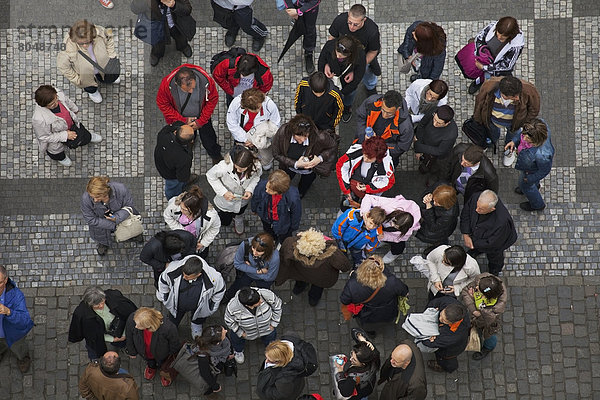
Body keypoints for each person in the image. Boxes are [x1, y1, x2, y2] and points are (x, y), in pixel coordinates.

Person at [156, 64, 223, 163]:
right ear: (177, 84)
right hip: (180, 119)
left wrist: (201, 121)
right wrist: (184, 120)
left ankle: (215, 154)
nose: (191, 91)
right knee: (185, 138)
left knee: (208, 138)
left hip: (202, 117)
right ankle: (188, 145)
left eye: (193, 87)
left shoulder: (206, 81)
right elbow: (163, 104)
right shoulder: (166, 85)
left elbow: (212, 99)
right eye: (187, 90)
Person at [473, 76, 540, 166]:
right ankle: (491, 142)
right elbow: (479, 103)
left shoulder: (529, 91)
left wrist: (524, 123)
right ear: (503, 94)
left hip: (514, 124)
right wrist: (478, 120)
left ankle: (509, 149)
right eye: (513, 97)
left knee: (512, 136)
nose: (517, 98)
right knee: (492, 133)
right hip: (492, 121)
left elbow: (534, 109)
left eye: (517, 95)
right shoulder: (488, 87)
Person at [277, 228, 352, 306]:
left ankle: (299, 288)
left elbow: (283, 256)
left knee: (301, 279)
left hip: (300, 273)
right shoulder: (332, 253)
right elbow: (345, 266)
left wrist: (297, 237)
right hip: (320, 278)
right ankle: (313, 299)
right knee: (317, 288)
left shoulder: (290, 243)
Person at [32, 85, 102, 167]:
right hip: (57, 140)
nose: (56, 103)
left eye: (56, 99)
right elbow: (44, 137)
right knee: (57, 152)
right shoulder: (39, 119)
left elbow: (67, 101)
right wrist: (65, 135)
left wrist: (74, 109)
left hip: (72, 125)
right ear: (43, 105)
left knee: (84, 135)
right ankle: (61, 158)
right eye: (52, 104)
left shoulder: (57, 93)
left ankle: (88, 137)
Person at [157, 255, 225, 338]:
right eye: (184, 274)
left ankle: (196, 324)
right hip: (178, 305)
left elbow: (219, 292)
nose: (184, 277)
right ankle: (173, 326)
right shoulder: (172, 269)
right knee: (174, 317)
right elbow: (163, 282)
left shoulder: (215, 278)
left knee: (199, 316)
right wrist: (165, 297)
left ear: (198, 274)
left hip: (199, 306)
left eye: (188, 277)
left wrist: (212, 307)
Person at [272, 114, 339, 198]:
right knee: (286, 180)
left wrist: (319, 158)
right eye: (298, 136)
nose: (302, 140)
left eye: (305, 136)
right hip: (288, 167)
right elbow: (276, 154)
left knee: (305, 184)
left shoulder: (319, 137)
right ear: (292, 132)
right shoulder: (283, 132)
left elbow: (333, 146)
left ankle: (300, 193)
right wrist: (295, 164)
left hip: (310, 170)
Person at [340, 256, 409, 335]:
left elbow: (345, 300)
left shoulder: (352, 285)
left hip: (367, 314)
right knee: (387, 321)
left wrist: (353, 276)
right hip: (388, 310)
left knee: (369, 327)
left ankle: (371, 334)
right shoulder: (392, 281)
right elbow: (405, 291)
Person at [57, 20, 120, 104]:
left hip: (104, 65)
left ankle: (108, 79)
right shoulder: (67, 48)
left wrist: (111, 55)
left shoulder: (99, 32)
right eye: (81, 44)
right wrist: (77, 80)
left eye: (88, 42)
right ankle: (93, 93)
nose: (85, 46)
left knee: (110, 76)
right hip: (85, 74)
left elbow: (109, 39)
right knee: (89, 86)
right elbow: (63, 66)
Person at [68, 286, 137, 361]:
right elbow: (91, 336)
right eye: (97, 305)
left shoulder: (113, 297)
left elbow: (126, 314)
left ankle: (122, 346)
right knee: (95, 349)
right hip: (100, 338)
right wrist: (112, 339)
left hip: (118, 329)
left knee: (121, 342)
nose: (101, 306)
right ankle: (95, 359)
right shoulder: (82, 315)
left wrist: (123, 334)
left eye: (102, 302)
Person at [206, 145, 263, 235]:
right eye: (236, 167)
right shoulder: (223, 166)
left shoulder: (257, 166)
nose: (238, 170)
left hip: (243, 199)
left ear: (249, 165)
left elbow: (256, 177)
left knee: (241, 210)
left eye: (241, 169)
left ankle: (238, 218)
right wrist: (223, 192)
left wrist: (250, 189)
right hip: (226, 200)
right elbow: (210, 176)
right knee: (225, 216)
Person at [460, 190, 518, 276]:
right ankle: (476, 250)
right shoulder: (476, 198)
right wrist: (466, 233)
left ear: (492, 209)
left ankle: (495, 270)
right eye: (477, 206)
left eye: (481, 209)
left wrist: (473, 243)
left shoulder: (501, 222)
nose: (476, 210)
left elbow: (493, 242)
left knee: (495, 257)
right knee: (477, 248)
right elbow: (466, 214)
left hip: (495, 246)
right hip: (478, 235)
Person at [81, 176, 142, 256]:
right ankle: (103, 243)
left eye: (97, 197)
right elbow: (91, 219)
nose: (94, 200)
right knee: (101, 236)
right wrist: (112, 225)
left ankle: (134, 234)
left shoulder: (120, 189)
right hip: (101, 225)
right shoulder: (86, 199)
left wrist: (117, 218)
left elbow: (129, 205)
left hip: (123, 218)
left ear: (104, 193)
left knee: (131, 228)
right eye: (93, 197)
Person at [328, 4, 381, 96]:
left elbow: (373, 51)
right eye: (349, 22)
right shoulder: (340, 20)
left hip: (363, 58)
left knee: (368, 74)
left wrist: (358, 68)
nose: (352, 27)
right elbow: (332, 39)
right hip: (343, 55)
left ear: (364, 20)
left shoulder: (372, 31)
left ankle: (370, 87)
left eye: (356, 24)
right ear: (348, 15)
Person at [504, 118, 554, 211]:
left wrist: (530, 179)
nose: (524, 138)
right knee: (528, 184)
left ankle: (537, 205)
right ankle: (535, 185)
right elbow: (521, 135)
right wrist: (514, 141)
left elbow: (544, 170)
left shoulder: (542, 155)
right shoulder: (537, 129)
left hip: (530, 171)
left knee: (525, 185)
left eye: (528, 139)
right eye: (524, 135)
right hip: (529, 166)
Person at [125, 307, 181, 387]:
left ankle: (164, 372)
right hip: (145, 352)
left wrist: (171, 356)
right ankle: (151, 367)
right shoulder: (133, 319)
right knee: (149, 361)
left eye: (139, 325)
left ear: (148, 325)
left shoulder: (168, 328)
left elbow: (174, 343)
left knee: (164, 364)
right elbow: (129, 335)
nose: (136, 326)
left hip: (163, 354)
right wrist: (132, 351)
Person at [224, 287, 282, 364]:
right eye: (258, 302)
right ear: (248, 306)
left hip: (267, 328)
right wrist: (240, 333)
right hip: (246, 331)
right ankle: (238, 351)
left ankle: (270, 349)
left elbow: (277, 306)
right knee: (237, 339)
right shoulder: (232, 308)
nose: (261, 301)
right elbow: (229, 321)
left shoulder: (265, 294)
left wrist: (274, 323)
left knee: (270, 340)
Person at [355, 90, 414, 165]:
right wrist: (363, 136)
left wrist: (378, 148)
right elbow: (361, 116)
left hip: (385, 155)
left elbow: (401, 147)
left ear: (398, 108)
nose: (384, 115)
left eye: (389, 113)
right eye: (383, 110)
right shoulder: (371, 102)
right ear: (382, 100)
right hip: (366, 144)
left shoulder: (406, 127)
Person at [227, 88, 281, 170]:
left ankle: (265, 163)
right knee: (242, 156)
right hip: (244, 135)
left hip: (263, 137)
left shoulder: (269, 104)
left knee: (266, 155)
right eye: (257, 108)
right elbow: (232, 124)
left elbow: (275, 124)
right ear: (246, 107)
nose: (260, 108)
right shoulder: (236, 104)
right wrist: (246, 139)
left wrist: (259, 139)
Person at [468, 16, 524, 94]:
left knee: (494, 82)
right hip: (484, 58)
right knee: (480, 74)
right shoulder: (493, 26)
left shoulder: (516, 46)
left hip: (496, 68)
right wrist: (479, 54)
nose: (499, 37)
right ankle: (478, 82)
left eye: (502, 37)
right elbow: (479, 38)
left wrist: (484, 67)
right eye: (498, 34)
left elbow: (506, 65)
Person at [131, 0, 196, 67]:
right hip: (157, 26)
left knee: (181, 38)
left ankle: (183, 47)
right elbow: (134, 8)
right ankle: (157, 54)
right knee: (158, 43)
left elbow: (187, 9)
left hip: (176, 24)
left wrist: (174, 5)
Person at [163, 185, 221, 259]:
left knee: (201, 256)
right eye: (181, 207)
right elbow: (168, 216)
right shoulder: (175, 206)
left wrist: (203, 243)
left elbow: (215, 228)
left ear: (194, 210)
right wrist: (180, 230)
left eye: (185, 210)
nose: (181, 210)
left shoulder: (211, 215)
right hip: (181, 240)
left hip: (197, 241)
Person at [336, 136, 395, 208]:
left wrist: (367, 188)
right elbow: (341, 165)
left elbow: (388, 183)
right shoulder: (355, 152)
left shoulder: (386, 167)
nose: (365, 158)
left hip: (372, 191)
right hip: (353, 185)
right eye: (364, 154)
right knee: (346, 206)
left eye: (369, 158)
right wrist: (346, 190)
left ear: (378, 157)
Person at [360, 194, 421, 264]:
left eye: (396, 226)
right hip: (381, 225)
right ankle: (381, 241)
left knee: (398, 246)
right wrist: (364, 211)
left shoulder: (407, 231)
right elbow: (368, 198)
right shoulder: (389, 206)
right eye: (393, 222)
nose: (392, 225)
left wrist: (384, 236)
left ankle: (394, 253)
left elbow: (398, 238)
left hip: (389, 234)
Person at [318, 35, 366, 122]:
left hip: (347, 83)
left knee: (349, 96)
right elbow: (321, 60)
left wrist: (342, 93)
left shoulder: (360, 55)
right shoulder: (330, 45)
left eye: (341, 55)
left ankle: (347, 108)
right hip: (331, 77)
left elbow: (359, 76)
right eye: (336, 53)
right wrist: (323, 71)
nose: (337, 56)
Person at [460, 273, 507, 360]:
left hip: (488, 324)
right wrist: (474, 310)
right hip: (477, 316)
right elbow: (465, 291)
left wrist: (475, 319)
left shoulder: (493, 310)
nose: (476, 288)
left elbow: (483, 321)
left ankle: (488, 348)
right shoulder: (483, 282)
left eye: (479, 290)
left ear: (487, 296)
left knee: (489, 336)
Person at [223, 233, 280, 301]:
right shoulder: (246, 245)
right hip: (247, 275)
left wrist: (246, 267)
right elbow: (237, 264)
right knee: (236, 288)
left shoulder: (274, 258)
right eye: (253, 247)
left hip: (262, 280)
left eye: (259, 251)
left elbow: (270, 277)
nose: (254, 253)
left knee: (263, 295)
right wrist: (259, 271)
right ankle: (226, 298)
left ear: (267, 251)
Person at [419, 297, 470, 373]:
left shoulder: (453, 335)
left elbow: (429, 343)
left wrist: (426, 337)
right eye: (441, 315)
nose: (439, 319)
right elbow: (434, 303)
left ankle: (446, 367)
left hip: (451, 350)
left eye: (444, 320)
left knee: (447, 359)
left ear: (452, 322)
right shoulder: (449, 302)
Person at [251, 170, 302, 243]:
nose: (266, 190)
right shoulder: (261, 185)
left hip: (283, 222)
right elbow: (256, 198)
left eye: (270, 190)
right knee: (268, 231)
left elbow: (296, 213)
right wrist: (254, 209)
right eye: (267, 187)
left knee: (283, 237)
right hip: (266, 217)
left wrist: (293, 228)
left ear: (279, 191)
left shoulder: (292, 197)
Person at [0, 266, 33, 373]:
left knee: (19, 349)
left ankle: (23, 358)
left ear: (5, 280)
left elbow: (25, 321)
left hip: (14, 335)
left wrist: (9, 312)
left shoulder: (16, 296)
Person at [185, 324, 234, 395]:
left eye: (223, 329)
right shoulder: (203, 357)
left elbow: (226, 346)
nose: (226, 331)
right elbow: (205, 374)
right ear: (217, 343)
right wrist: (215, 386)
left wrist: (228, 354)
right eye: (224, 333)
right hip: (214, 364)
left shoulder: (216, 335)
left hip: (220, 357)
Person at [333, 328, 380, 400]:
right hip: (368, 385)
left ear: (363, 364)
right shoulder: (373, 355)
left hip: (360, 391)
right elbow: (354, 331)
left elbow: (345, 392)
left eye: (354, 360)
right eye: (352, 354)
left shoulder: (354, 377)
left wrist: (340, 371)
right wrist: (364, 341)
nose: (350, 359)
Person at [154, 122, 197, 200]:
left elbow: (171, 126)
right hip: (171, 175)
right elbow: (182, 176)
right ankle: (173, 200)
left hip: (161, 162)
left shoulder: (163, 134)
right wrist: (185, 179)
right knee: (173, 187)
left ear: (175, 132)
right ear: (191, 142)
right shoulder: (184, 157)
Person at [413, 105, 458, 178]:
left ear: (447, 123)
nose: (434, 124)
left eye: (439, 123)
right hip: (424, 142)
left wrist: (419, 147)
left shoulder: (451, 134)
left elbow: (439, 151)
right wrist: (419, 142)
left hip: (434, 153)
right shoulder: (434, 110)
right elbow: (422, 124)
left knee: (432, 165)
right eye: (434, 119)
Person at [282, 0, 320, 73]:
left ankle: (308, 52)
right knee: (299, 23)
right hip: (295, 5)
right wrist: (291, 8)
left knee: (310, 31)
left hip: (310, 9)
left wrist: (299, 11)